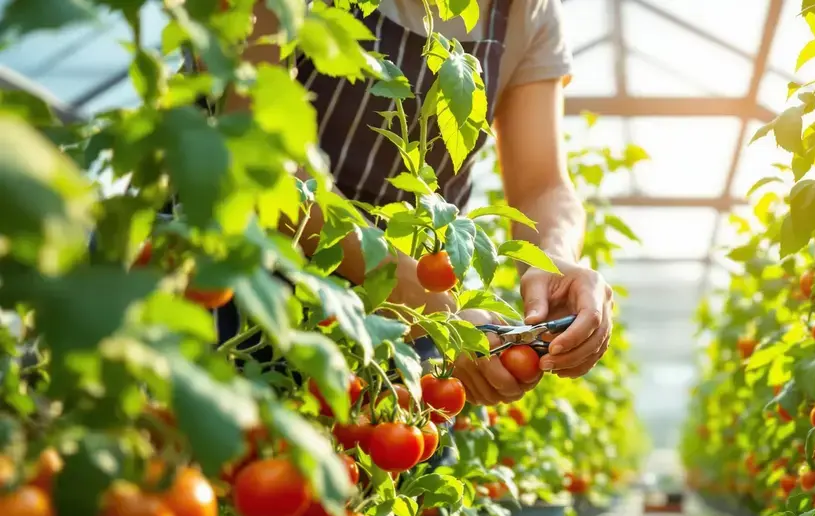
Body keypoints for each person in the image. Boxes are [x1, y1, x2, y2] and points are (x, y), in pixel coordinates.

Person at [231, 0, 613, 406]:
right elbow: (257, 157)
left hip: (407, 329)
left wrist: (553, 260)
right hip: (247, 281)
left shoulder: (528, 10)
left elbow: (542, 184)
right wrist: (434, 307)